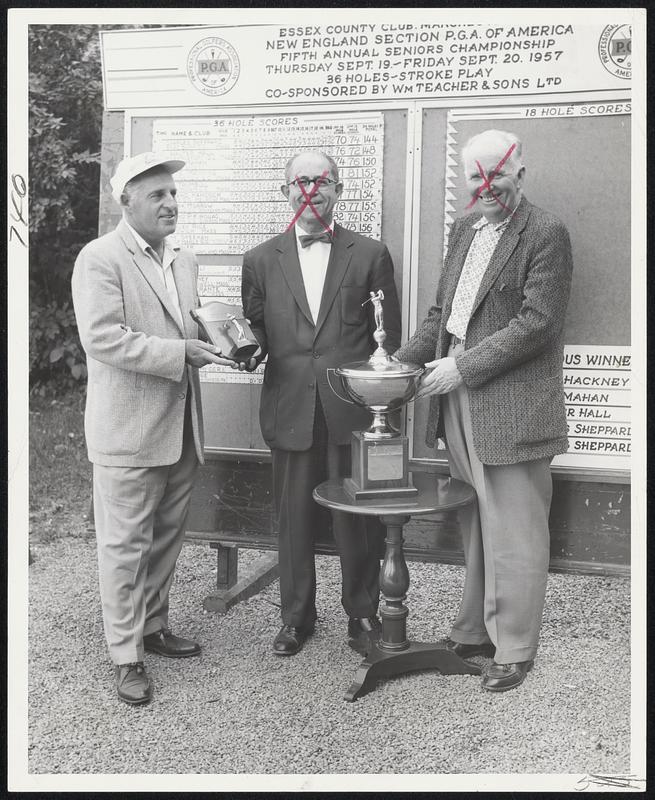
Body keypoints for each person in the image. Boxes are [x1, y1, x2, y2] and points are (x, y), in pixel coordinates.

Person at [394, 130, 573, 692]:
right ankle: (474, 630)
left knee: (515, 527)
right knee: (474, 517)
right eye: (477, 175)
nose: (487, 184)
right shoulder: (463, 230)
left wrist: (463, 368)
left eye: (498, 172)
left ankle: (515, 647)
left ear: (520, 173)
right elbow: (442, 315)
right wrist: (395, 367)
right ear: (465, 182)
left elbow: (538, 323)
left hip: (509, 403)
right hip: (456, 397)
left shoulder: (546, 232)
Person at [72, 152, 234, 705]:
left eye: (173, 194)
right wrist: (180, 352)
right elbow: (103, 337)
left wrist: (226, 339)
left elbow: (186, 323)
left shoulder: (182, 260)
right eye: (157, 195)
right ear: (126, 202)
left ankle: (153, 626)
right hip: (129, 433)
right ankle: (125, 656)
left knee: (165, 538)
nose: (171, 203)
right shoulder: (100, 258)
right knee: (124, 547)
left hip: (181, 428)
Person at [241, 150, 402, 656]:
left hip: (349, 411)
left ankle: (362, 615)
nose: (311, 190)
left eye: (322, 181)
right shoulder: (261, 260)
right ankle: (296, 619)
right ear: (285, 190)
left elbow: (386, 340)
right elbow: (258, 331)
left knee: (357, 520)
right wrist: (242, 349)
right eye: (300, 181)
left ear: (338, 189)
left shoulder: (371, 254)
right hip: (290, 408)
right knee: (293, 520)